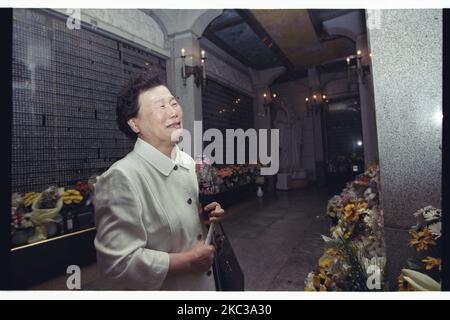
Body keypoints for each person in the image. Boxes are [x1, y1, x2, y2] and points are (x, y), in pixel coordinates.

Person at [93, 74, 225, 290]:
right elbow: (116, 266)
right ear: (135, 124)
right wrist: (188, 262)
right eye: (160, 106)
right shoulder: (122, 178)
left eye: (174, 103)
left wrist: (206, 215)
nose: (173, 112)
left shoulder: (188, 162)